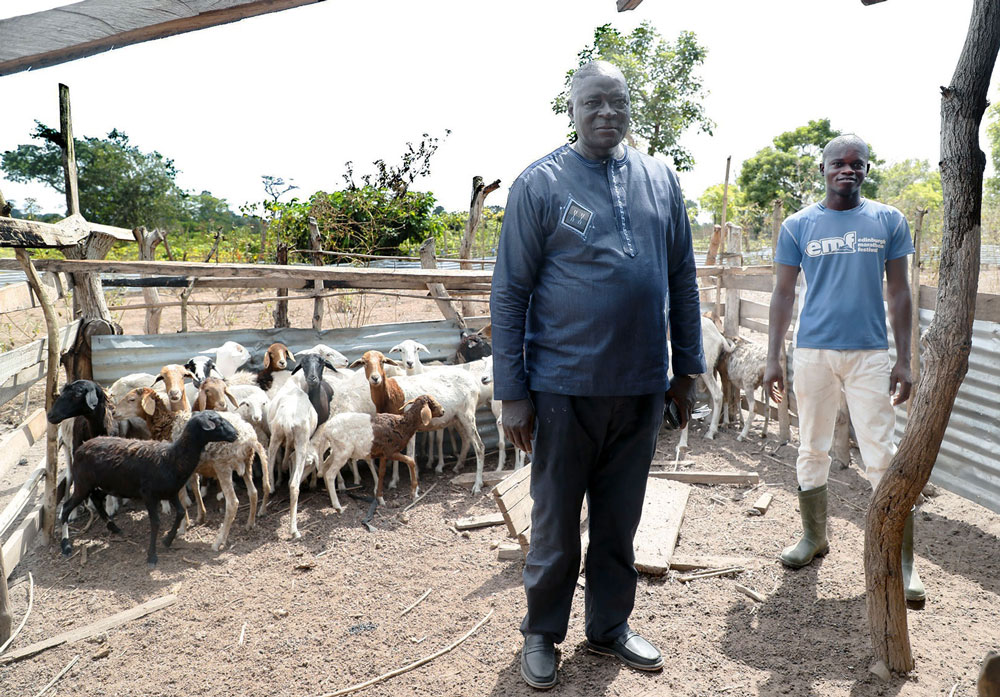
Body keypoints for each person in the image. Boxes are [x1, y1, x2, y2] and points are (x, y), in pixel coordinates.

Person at [490, 60, 705, 690]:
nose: (607, 113)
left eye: (617, 102)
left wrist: (686, 370)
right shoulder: (540, 184)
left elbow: (682, 280)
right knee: (556, 522)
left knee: (620, 518)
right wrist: (512, 392)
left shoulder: (660, 179)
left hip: (641, 385)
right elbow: (509, 293)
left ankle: (609, 626)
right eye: (593, 103)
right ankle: (541, 632)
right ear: (573, 109)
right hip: (563, 385)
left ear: (629, 107)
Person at [763, 134, 924, 602]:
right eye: (838, 163)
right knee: (811, 447)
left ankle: (901, 561)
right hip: (813, 353)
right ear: (823, 169)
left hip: (869, 355)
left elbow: (899, 291)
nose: (847, 169)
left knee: (880, 454)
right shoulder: (798, 225)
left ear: (867, 170)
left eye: (857, 163)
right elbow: (783, 294)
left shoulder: (888, 220)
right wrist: (773, 358)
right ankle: (814, 537)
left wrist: (904, 359)